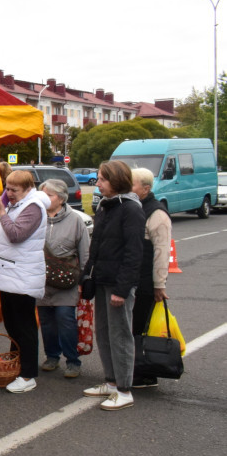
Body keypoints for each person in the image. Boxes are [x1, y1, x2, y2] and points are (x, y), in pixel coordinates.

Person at [81, 161, 145, 410]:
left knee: (120, 336)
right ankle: (110, 381)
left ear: (116, 180)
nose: (97, 183)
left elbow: (134, 253)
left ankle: (124, 389)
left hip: (119, 284)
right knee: (104, 334)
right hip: (102, 280)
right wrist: (86, 277)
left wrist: (122, 289)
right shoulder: (106, 207)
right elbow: (95, 247)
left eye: (102, 179)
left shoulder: (131, 209)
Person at [0, 169, 49, 394]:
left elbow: (16, 234)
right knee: (13, 325)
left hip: (22, 276)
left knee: (24, 327)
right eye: (7, 188)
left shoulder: (32, 207)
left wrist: (2, 211)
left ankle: (28, 375)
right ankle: (17, 365)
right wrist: (6, 204)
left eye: (14, 189)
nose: (9, 193)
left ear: (28, 189)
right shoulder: (18, 203)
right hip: (10, 274)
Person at [37, 179, 90, 379]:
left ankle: (72, 360)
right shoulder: (37, 217)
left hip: (67, 281)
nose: (45, 199)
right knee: (47, 322)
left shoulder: (75, 220)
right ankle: (52, 356)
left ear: (61, 198)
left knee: (65, 319)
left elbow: (85, 253)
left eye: (49, 195)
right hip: (42, 283)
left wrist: (84, 281)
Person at [130, 167, 172, 389]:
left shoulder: (157, 213)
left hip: (145, 283)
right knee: (131, 328)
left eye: (133, 184)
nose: (129, 187)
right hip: (133, 280)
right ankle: (132, 369)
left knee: (139, 329)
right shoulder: (134, 207)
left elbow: (161, 252)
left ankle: (144, 373)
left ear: (146, 188)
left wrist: (159, 284)